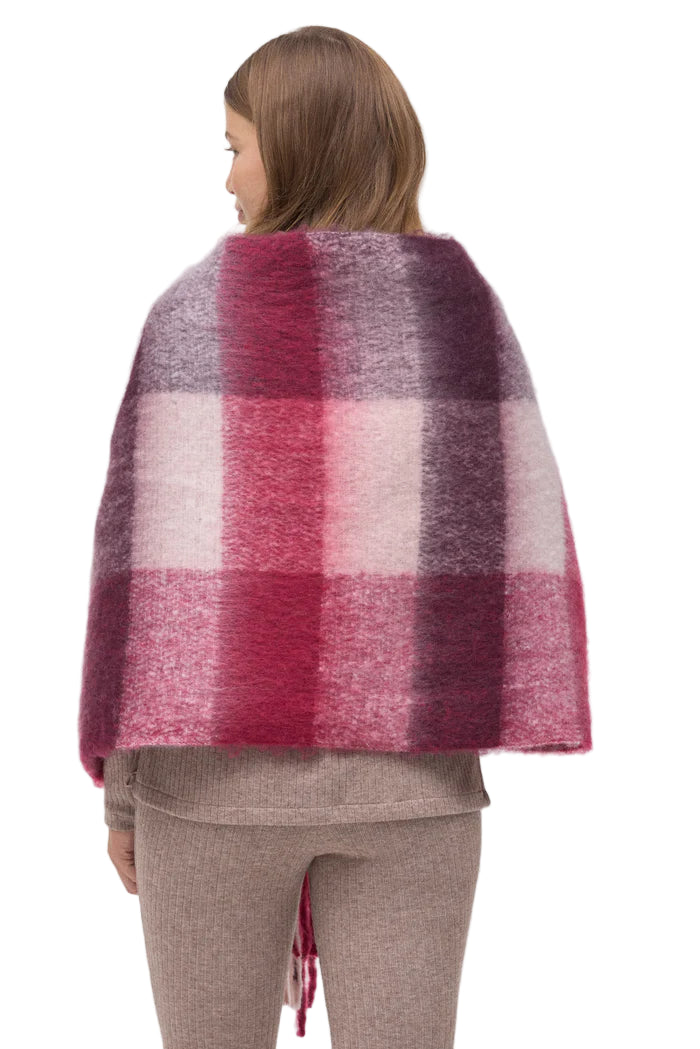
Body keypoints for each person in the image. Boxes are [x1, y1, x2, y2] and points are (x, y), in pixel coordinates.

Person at [86, 24, 590, 1049]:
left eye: (236, 146)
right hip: (414, 788)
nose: (227, 177)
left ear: (296, 146)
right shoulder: (459, 314)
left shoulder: (193, 314)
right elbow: (501, 547)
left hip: (210, 795)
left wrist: (126, 798)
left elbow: (148, 586)